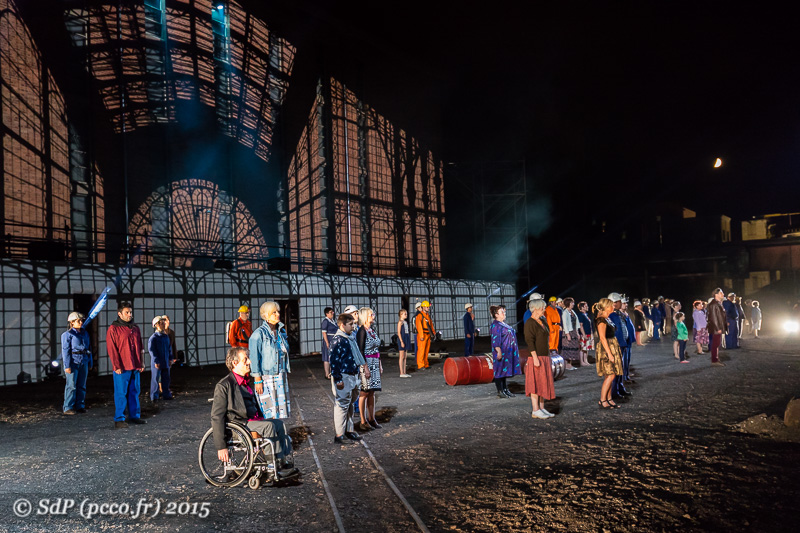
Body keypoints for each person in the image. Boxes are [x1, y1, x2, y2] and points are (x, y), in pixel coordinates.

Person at [211, 347, 296, 476]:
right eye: (245, 359)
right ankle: (272, 467)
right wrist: (221, 446)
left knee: (279, 424)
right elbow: (217, 417)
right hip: (239, 426)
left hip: (251, 421)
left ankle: (281, 461)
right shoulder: (224, 386)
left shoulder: (244, 382)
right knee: (269, 426)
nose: (249, 362)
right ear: (235, 363)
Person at [329, 313, 368, 444]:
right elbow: (334, 361)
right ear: (342, 325)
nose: (353, 326)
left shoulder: (350, 338)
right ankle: (339, 434)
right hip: (344, 376)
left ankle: (349, 430)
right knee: (342, 405)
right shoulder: (338, 340)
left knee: (349, 404)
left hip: (352, 375)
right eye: (350, 324)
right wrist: (338, 379)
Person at [248, 302, 291, 420]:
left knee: (279, 412)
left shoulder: (281, 332)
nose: (277, 314)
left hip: (280, 375)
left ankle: (278, 430)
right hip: (267, 377)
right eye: (274, 312)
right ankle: (270, 431)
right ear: (266, 315)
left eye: (278, 312)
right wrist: (257, 379)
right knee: (269, 412)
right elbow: (254, 358)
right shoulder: (258, 334)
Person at [107, 301, 146, 428]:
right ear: (120, 314)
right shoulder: (114, 329)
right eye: (127, 312)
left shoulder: (135, 328)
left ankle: (134, 416)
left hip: (134, 365)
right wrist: (116, 365)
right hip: (122, 367)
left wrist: (141, 362)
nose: (130, 315)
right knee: (121, 393)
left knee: (134, 392)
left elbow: (140, 346)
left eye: (130, 312)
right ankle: (119, 419)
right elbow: (112, 349)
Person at [523, 299, 555, 419]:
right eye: (542, 307)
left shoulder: (543, 320)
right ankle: (535, 410)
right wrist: (535, 358)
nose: (544, 309)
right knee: (535, 384)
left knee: (543, 384)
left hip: (545, 356)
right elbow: (530, 342)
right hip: (536, 357)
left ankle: (542, 408)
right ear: (535, 308)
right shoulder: (530, 323)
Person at [356, 308, 383, 431]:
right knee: (364, 392)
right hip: (367, 363)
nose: (373, 316)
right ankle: (363, 420)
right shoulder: (362, 331)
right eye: (371, 314)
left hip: (375, 362)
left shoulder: (371, 330)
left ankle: (372, 418)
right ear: (365, 316)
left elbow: (377, 349)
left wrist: (380, 364)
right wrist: (365, 367)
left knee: (372, 392)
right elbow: (360, 351)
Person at [594, 298, 623, 409]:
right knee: (611, 374)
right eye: (611, 305)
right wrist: (610, 354)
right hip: (606, 348)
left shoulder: (607, 318)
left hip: (611, 345)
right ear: (606, 307)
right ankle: (602, 400)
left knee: (610, 374)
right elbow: (602, 337)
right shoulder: (601, 320)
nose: (613, 307)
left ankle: (609, 398)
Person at [61, 312, 92, 415]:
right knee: (71, 385)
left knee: (82, 385)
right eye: (78, 321)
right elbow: (65, 351)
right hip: (73, 362)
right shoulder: (67, 335)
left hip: (83, 360)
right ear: (72, 322)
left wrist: (90, 362)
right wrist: (67, 366)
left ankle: (80, 405)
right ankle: (68, 407)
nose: (81, 322)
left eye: (81, 320)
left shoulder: (85, 333)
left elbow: (89, 348)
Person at [489, 305, 522, 398]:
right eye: (502, 312)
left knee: (504, 371)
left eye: (504, 312)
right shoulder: (495, 325)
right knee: (499, 371)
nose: (504, 313)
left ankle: (505, 389)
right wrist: (498, 351)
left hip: (508, 352)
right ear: (496, 315)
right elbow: (495, 339)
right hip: (502, 352)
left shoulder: (503, 324)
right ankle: (500, 391)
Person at [607, 293, 632, 399]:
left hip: (622, 344)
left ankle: (620, 388)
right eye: (619, 301)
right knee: (616, 369)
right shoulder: (611, 315)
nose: (621, 303)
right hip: (616, 345)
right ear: (614, 302)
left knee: (620, 368)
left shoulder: (617, 314)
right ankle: (614, 392)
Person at [148, 315, 173, 401]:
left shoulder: (165, 337)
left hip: (165, 361)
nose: (164, 324)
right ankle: (154, 396)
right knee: (155, 379)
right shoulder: (154, 338)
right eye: (162, 323)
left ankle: (166, 395)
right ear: (157, 325)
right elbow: (152, 350)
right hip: (158, 362)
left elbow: (169, 348)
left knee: (166, 378)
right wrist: (156, 361)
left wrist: (170, 358)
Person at [707, 288, 727, 367]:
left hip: (718, 327)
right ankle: (714, 360)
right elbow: (714, 317)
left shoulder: (718, 303)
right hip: (716, 328)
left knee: (717, 343)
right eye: (721, 293)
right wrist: (718, 328)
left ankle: (716, 358)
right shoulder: (714, 304)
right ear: (716, 294)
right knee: (715, 343)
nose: (723, 294)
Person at [560, 298, 581, 368]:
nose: (573, 304)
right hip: (568, 332)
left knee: (573, 348)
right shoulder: (565, 312)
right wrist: (567, 334)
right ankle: (567, 365)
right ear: (568, 303)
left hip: (573, 331)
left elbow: (576, 323)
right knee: (568, 348)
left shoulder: (572, 312)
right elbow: (565, 324)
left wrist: (577, 333)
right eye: (572, 303)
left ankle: (570, 364)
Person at [415, 301, 436, 370]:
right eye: (427, 307)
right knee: (421, 350)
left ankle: (426, 364)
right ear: (423, 307)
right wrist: (421, 336)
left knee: (426, 350)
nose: (428, 308)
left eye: (428, 307)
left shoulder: (427, 316)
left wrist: (433, 333)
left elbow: (431, 325)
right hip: (423, 335)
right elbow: (419, 326)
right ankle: (420, 365)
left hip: (428, 335)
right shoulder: (419, 316)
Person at [320, 307, 338, 379]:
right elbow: (324, 333)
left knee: (332, 357)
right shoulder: (325, 321)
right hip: (328, 339)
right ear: (326, 314)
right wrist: (327, 342)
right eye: (331, 312)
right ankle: (327, 374)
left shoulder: (333, 321)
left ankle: (332, 372)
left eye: (332, 312)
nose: (332, 313)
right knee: (327, 357)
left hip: (333, 340)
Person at [577, 301, 594, 367]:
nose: (587, 307)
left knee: (586, 348)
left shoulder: (586, 315)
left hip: (588, 333)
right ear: (582, 307)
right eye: (586, 306)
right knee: (582, 348)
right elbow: (581, 326)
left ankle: (585, 360)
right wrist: (584, 335)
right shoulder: (581, 315)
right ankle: (582, 361)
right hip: (583, 334)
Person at [396, 309, 411, 377]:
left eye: (406, 314)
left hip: (406, 338)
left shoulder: (405, 322)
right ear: (401, 314)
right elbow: (399, 333)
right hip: (402, 339)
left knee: (405, 356)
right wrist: (401, 341)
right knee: (401, 356)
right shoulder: (400, 322)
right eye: (405, 314)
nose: (406, 315)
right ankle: (401, 372)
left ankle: (404, 372)